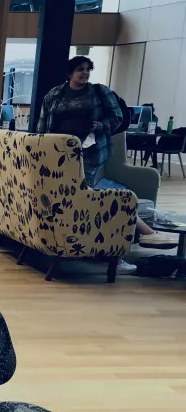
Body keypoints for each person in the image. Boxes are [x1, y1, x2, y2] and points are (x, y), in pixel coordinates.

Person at [36, 57, 178, 260]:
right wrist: (42, 150)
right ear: (69, 73)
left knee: (86, 196)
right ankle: (130, 237)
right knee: (81, 198)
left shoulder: (100, 92)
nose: (84, 73)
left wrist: (99, 125)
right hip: (59, 153)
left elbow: (117, 117)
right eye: (79, 70)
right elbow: (43, 124)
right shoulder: (55, 94)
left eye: (87, 69)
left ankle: (112, 248)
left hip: (90, 152)